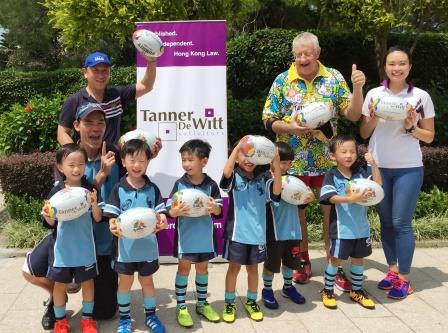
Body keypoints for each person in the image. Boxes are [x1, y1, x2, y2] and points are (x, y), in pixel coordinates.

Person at [262, 31, 366, 287]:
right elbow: (267, 119)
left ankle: (335, 262)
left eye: (306, 53)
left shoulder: (333, 78)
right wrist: (289, 129)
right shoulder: (283, 80)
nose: (302, 58)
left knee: (332, 212)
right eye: (297, 54)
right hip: (293, 162)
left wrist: (357, 87)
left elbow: (353, 115)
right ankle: (303, 260)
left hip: (329, 160)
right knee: (297, 213)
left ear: (317, 54)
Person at [22, 103, 126, 330]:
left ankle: (77, 287)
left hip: (101, 242)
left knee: (106, 312)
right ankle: (57, 297)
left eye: (101, 122)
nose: (95, 127)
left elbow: (135, 171)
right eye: (89, 122)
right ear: (77, 126)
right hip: (67, 237)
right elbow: (65, 200)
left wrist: (149, 151)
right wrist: (99, 177)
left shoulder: (115, 155)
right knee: (30, 270)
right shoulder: (68, 157)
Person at [360, 46, 435, 299]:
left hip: (408, 168)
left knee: (401, 223)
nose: (397, 68)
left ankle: (405, 278)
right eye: (392, 63)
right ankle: (392, 270)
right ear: (385, 67)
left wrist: (412, 127)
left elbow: (429, 136)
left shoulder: (421, 97)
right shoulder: (374, 94)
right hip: (379, 166)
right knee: (385, 222)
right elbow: (364, 133)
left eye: (402, 63)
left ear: (410, 67)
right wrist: (371, 117)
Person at [105, 139, 168, 333]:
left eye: (142, 160)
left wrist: (163, 219)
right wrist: (112, 225)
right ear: (123, 161)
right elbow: (112, 217)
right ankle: (124, 320)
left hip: (147, 247)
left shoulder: (153, 189)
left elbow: (161, 213)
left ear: (148, 162)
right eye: (132, 160)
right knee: (125, 283)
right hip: (125, 250)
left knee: (147, 281)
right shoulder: (118, 189)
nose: (137, 165)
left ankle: (151, 315)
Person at [41, 144, 103, 333]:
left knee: (88, 282)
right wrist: (47, 213)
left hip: (85, 247)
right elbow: (50, 223)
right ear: (60, 167)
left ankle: (87, 320)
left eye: (81, 164)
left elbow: (98, 218)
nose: (76, 169)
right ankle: (60, 321)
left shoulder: (90, 188)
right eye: (71, 165)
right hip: (62, 249)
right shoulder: (56, 191)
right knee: (60, 284)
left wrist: (93, 204)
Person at [220, 139, 282, 323]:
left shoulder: (264, 178)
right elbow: (225, 174)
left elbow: (277, 192)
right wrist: (238, 147)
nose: (248, 160)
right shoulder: (233, 177)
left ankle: (251, 301)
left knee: (253, 269)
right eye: (244, 155)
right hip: (237, 234)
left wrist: (276, 164)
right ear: (237, 157)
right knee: (233, 268)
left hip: (258, 235)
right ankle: (229, 303)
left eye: (252, 156)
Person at [319, 135, 382, 309]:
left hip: (361, 228)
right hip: (341, 229)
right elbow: (329, 198)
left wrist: (374, 164)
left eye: (352, 151)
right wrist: (351, 198)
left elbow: (378, 185)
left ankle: (357, 290)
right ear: (333, 155)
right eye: (344, 151)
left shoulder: (360, 173)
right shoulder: (331, 175)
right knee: (335, 259)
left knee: (358, 259)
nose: (348, 155)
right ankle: (328, 290)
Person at [166, 139, 222, 328]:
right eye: (183, 160)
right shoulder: (179, 184)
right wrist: (173, 212)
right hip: (185, 238)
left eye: (190, 160)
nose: (186, 164)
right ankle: (181, 306)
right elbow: (169, 208)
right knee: (183, 269)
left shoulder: (212, 185)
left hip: (205, 238)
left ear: (204, 161)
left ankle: (202, 303)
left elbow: (219, 210)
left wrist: (214, 208)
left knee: (202, 269)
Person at [57, 51, 157, 145]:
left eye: (105, 70)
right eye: (95, 70)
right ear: (85, 72)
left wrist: (151, 61)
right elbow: (62, 133)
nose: (101, 75)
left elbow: (146, 86)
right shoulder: (74, 100)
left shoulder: (117, 94)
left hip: (114, 160)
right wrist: (77, 157)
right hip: (88, 161)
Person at [262, 142, 314, 309]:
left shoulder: (293, 179)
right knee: (271, 264)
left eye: (289, 163)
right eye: (283, 162)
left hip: (293, 230)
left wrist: (306, 199)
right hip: (275, 232)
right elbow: (269, 199)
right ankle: (267, 290)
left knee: (290, 262)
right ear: (272, 161)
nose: (287, 166)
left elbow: (299, 204)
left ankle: (288, 287)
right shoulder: (265, 178)